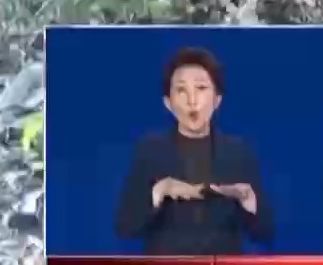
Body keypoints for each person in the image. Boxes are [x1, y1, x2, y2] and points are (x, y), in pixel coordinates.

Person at [113, 46, 275, 253]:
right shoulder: (149, 151)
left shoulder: (238, 152)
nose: (192, 101)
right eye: (181, 90)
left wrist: (248, 200)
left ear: (217, 100)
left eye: (201, 88)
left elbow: (265, 233)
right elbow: (125, 227)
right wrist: (160, 191)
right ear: (168, 103)